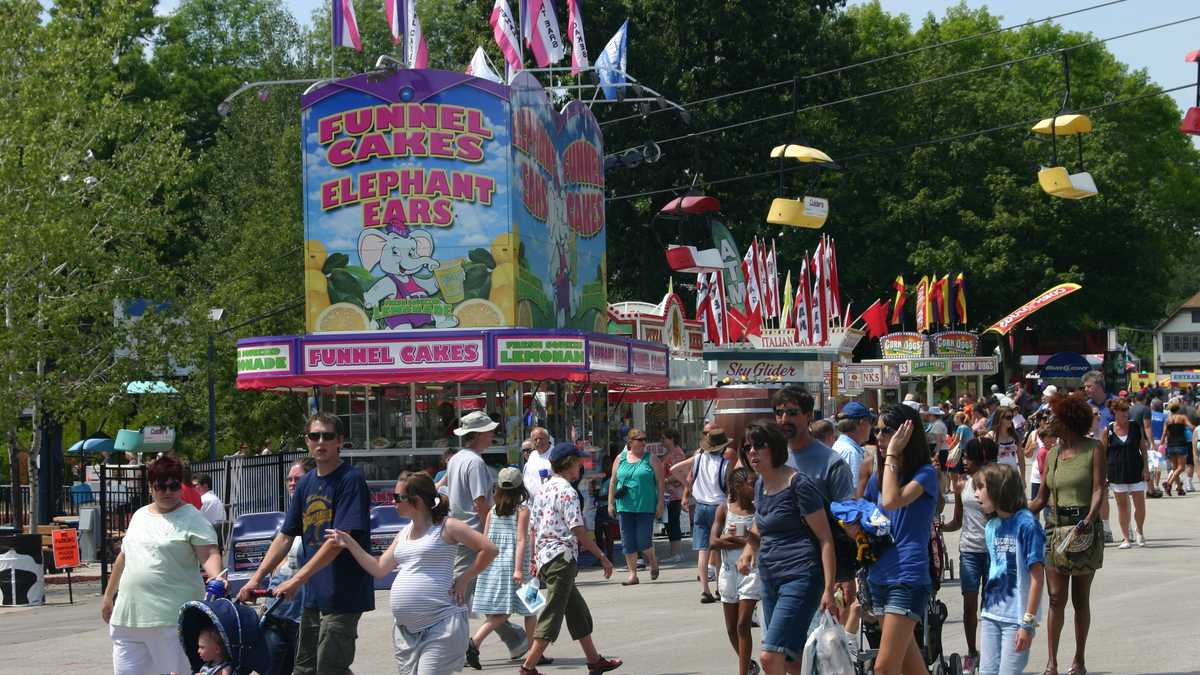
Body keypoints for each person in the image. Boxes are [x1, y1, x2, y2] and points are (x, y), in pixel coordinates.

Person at [236, 413, 374, 675]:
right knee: (304, 669)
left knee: (330, 668)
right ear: (307, 441)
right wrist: (256, 578)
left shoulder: (351, 480)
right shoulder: (306, 483)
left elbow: (338, 541)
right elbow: (285, 536)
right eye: (314, 436)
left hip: (343, 594)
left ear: (339, 441)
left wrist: (297, 579)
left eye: (328, 436)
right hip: (313, 594)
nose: (321, 441)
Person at [325, 471, 498, 674]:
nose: (393, 501)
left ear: (416, 500)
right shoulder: (404, 532)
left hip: (441, 625)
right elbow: (378, 569)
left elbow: (489, 549)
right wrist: (350, 543)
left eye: (398, 497)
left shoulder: (447, 526)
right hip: (406, 633)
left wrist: (464, 578)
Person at [101, 455, 223, 675]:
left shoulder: (192, 517)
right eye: (160, 486)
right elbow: (124, 558)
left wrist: (217, 576)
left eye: (174, 486)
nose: (168, 492)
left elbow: (208, 553)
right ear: (151, 487)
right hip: (128, 619)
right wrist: (108, 596)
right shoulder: (139, 516)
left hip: (171, 621)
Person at [736, 422, 836, 675]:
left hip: (800, 576)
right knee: (790, 660)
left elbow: (825, 538)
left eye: (759, 445)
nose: (752, 451)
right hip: (770, 578)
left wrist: (828, 589)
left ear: (775, 447)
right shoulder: (760, 484)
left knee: (770, 656)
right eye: (747, 447)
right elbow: (762, 521)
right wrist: (748, 549)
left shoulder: (798, 484)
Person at [520, 443, 622, 675]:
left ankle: (594, 660)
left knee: (577, 611)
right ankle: (528, 667)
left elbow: (534, 528)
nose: (581, 467)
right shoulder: (567, 491)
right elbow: (577, 528)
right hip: (561, 559)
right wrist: (602, 556)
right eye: (578, 462)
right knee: (552, 613)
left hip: (546, 558)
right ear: (569, 464)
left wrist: (535, 558)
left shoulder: (543, 490)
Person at [1029, 394, 1106, 675]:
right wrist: (1012, 510)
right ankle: (1051, 663)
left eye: (1054, 417)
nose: (1049, 421)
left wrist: (1090, 517)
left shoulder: (1094, 449)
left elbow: (1098, 488)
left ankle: (1079, 660)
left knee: (1080, 599)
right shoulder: (1052, 455)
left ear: (1068, 421)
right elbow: (1041, 498)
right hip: (1055, 529)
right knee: (1055, 597)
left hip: (1084, 529)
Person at [864, 404, 940, 675]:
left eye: (887, 431)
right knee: (910, 665)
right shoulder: (879, 477)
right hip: (878, 575)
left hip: (906, 576)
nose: (880, 437)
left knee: (884, 668)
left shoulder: (926, 474)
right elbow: (868, 513)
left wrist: (893, 454)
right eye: (877, 431)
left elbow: (891, 500)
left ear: (907, 433)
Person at [447, 410, 528, 659]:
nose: (493, 435)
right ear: (480, 434)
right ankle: (458, 644)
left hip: (462, 533)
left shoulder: (456, 459)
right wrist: (487, 538)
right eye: (490, 431)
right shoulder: (475, 463)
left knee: (483, 592)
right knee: (462, 592)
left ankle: (517, 640)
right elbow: (480, 503)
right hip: (474, 536)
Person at [468, 468, 551, 670]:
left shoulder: (492, 512)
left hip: (495, 567)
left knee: (510, 611)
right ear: (520, 488)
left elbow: (485, 541)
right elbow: (521, 540)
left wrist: (481, 566)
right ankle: (475, 643)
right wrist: (519, 569)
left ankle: (532, 652)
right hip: (517, 569)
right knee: (529, 610)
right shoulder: (522, 511)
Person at [975, 463, 1046, 675]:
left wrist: (1028, 623)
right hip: (991, 614)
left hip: (1016, 619)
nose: (976, 494)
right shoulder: (991, 526)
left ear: (999, 488)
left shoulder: (1027, 524)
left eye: (981, 487)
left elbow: (1037, 578)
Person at [941, 437, 995, 673]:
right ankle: (972, 652)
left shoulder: (996, 482)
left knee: (990, 605)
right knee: (969, 603)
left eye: (968, 457)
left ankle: (991, 652)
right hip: (969, 551)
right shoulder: (962, 484)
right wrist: (939, 527)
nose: (964, 461)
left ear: (981, 458)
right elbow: (957, 521)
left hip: (993, 551)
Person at [261, 456, 317, 675]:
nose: (292, 483)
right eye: (289, 479)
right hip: (275, 612)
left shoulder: (319, 522)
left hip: (303, 617)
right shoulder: (286, 523)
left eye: (298, 479)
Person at [671, 427, 736, 602]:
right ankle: (719, 588)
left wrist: (689, 486)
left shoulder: (698, 458)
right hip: (719, 507)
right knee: (719, 550)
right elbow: (729, 490)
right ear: (722, 447)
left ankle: (705, 590)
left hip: (701, 507)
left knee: (703, 550)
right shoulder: (725, 464)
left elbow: (674, 469)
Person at [710, 467, 761, 675]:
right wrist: (742, 540)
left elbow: (760, 543)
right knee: (731, 628)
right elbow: (713, 542)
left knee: (742, 624)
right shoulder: (724, 509)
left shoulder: (759, 510)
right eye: (751, 483)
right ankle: (749, 665)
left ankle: (743, 672)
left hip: (751, 572)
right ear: (738, 486)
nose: (755, 487)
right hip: (728, 572)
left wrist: (737, 537)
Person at [609, 427, 664, 586]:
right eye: (640, 440)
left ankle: (652, 560)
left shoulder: (651, 459)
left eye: (645, 439)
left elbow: (660, 482)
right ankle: (633, 574)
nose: (643, 442)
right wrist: (610, 503)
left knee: (643, 540)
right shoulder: (620, 458)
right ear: (630, 441)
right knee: (627, 541)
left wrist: (660, 502)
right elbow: (613, 481)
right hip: (624, 506)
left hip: (645, 505)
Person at [1100, 397, 1148, 548]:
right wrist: (1103, 474)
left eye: (1126, 410)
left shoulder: (1135, 427)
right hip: (1116, 472)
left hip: (1135, 469)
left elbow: (1143, 448)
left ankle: (1139, 531)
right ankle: (1126, 538)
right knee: (1122, 507)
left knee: (1140, 505)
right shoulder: (1108, 430)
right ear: (1114, 412)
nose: (1125, 413)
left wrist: (1146, 467)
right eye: (1122, 411)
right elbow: (1103, 454)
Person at [660, 428, 688, 564]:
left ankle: (676, 552)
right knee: (670, 522)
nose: (662, 441)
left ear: (671, 439)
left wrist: (665, 480)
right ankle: (675, 552)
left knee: (672, 522)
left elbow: (679, 473)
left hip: (673, 494)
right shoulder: (670, 453)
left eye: (664, 438)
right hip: (668, 494)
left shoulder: (677, 454)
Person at [833, 402, 872, 485]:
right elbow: (855, 490)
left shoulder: (839, 445)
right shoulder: (851, 453)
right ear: (862, 423)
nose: (871, 426)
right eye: (870, 421)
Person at [1160, 400, 1193, 497]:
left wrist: (1161, 443)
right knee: (1181, 468)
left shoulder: (1167, 420)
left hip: (1171, 445)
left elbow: (1164, 433)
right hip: (1180, 443)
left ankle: (1179, 489)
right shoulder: (1182, 417)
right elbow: (1191, 426)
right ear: (1178, 409)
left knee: (1175, 468)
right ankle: (1168, 483)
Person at [988, 407, 1024, 483]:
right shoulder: (991, 436)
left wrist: (1023, 479)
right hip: (997, 479)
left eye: (1012, 417)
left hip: (1013, 477)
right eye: (1008, 417)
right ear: (1000, 419)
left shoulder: (1015, 436)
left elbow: (1021, 459)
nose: (1011, 420)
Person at [522, 427, 553, 502]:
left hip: (548, 501)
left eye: (541, 438)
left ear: (548, 438)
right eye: (535, 439)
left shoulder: (555, 454)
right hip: (531, 502)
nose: (538, 441)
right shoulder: (533, 455)